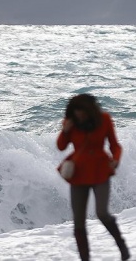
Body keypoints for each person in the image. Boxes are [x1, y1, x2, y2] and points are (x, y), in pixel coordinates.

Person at [56, 94, 130, 261]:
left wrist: (116, 159)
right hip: (79, 174)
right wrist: (65, 130)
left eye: (82, 111)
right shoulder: (72, 123)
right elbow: (61, 147)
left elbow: (115, 145)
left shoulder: (104, 119)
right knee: (79, 222)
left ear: (89, 110)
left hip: (100, 170)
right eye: (76, 111)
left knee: (102, 213)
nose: (79, 114)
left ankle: (121, 243)